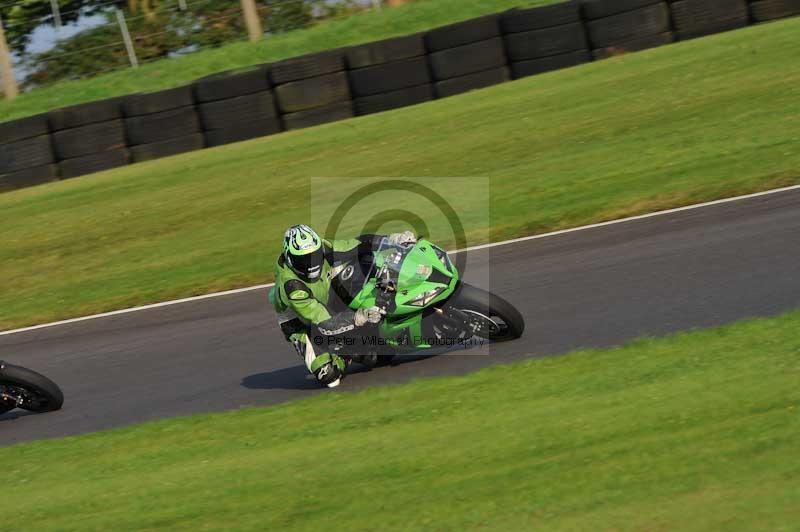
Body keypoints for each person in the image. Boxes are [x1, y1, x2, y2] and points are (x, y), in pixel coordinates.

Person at [271, 224, 417, 387]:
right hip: (301, 322)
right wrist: (359, 317)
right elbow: (325, 323)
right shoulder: (292, 287)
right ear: (291, 259)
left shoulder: (324, 248)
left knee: (359, 262)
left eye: (314, 255)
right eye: (303, 259)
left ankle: (383, 311)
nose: (311, 263)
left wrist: (391, 239)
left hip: (324, 291)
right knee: (329, 375)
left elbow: (356, 244)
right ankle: (347, 352)